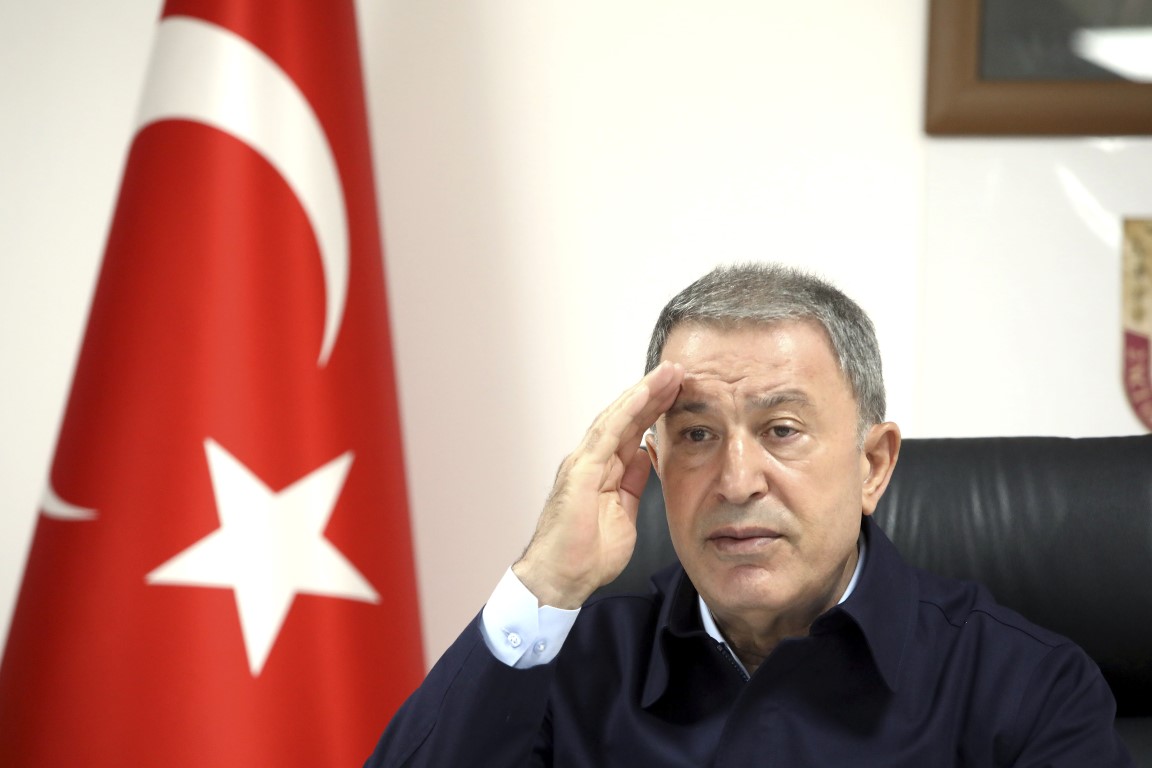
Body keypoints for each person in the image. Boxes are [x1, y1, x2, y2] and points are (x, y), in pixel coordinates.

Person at [365, 263, 1133, 767]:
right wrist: (544, 583)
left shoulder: (1024, 686)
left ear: (873, 464)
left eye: (782, 430)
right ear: (657, 462)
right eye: (697, 435)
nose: (735, 481)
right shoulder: (575, 665)